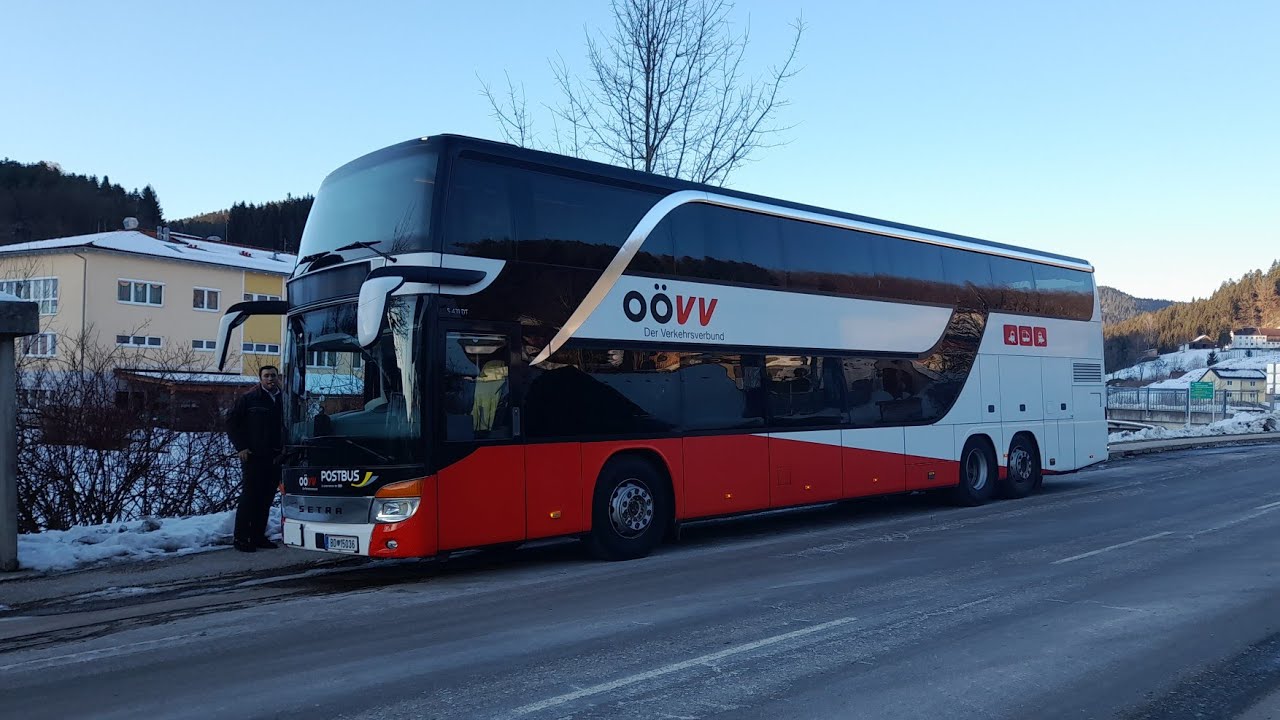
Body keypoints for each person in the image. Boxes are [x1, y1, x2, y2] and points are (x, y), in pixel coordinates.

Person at [225, 365, 286, 552]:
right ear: (260, 379)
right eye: (266, 376)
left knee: (266, 498)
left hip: (275, 456)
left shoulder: (283, 400)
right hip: (253, 456)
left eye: (273, 376)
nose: (270, 379)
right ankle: (241, 538)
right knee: (250, 497)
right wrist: (241, 447)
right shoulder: (249, 399)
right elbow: (231, 422)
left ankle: (258, 536)